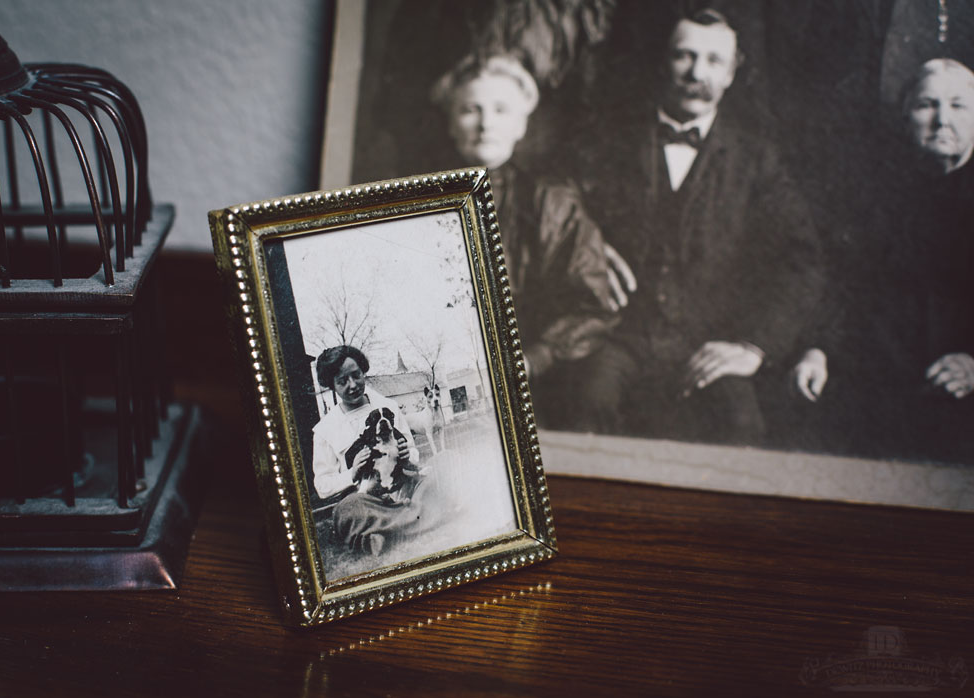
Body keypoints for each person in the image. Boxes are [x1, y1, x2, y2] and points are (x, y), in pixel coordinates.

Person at [577, 8, 823, 444]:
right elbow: (564, 200)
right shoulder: (610, 140)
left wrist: (754, 347)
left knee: (742, 427)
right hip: (621, 335)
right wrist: (588, 244)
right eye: (684, 57)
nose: (696, 73)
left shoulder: (756, 159)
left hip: (709, 342)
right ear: (664, 61)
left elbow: (800, 259)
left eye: (713, 61)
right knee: (586, 406)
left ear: (733, 71)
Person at [430, 53, 629, 428]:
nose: (486, 124)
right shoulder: (418, 201)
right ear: (451, 123)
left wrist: (533, 358)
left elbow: (594, 307)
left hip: (539, 372)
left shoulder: (552, 202)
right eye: (471, 109)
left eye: (501, 110)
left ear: (522, 125)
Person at [791, 58, 974, 462]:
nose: (942, 120)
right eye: (927, 105)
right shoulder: (873, 196)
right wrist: (817, 349)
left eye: (959, 106)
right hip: (878, 376)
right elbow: (840, 282)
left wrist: (973, 363)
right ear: (905, 114)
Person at [312, 345, 428, 556]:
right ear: (332, 386)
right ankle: (419, 516)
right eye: (342, 381)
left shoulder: (388, 407)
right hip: (365, 499)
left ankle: (379, 534)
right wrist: (352, 473)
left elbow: (413, 451)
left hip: (401, 487)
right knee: (347, 510)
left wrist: (406, 455)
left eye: (356, 375)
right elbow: (322, 486)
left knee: (441, 467)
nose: (353, 385)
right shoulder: (324, 430)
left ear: (363, 371)